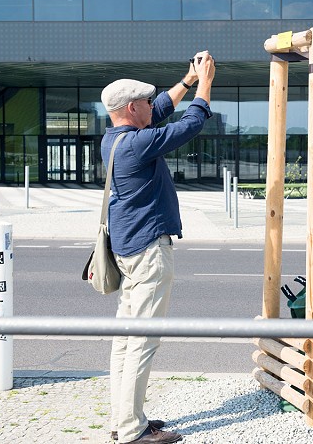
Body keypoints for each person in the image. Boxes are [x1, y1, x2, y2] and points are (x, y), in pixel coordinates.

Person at [100, 51, 215, 444]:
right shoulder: (137, 145)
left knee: (126, 340)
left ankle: (123, 419)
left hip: (129, 250)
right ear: (132, 108)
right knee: (143, 342)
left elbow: (162, 110)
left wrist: (186, 80)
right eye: (146, 103)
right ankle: (132, 431)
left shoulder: (115, 138)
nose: (154, 106)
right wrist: (206, 85)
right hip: (148, 252)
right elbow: (189, 125)